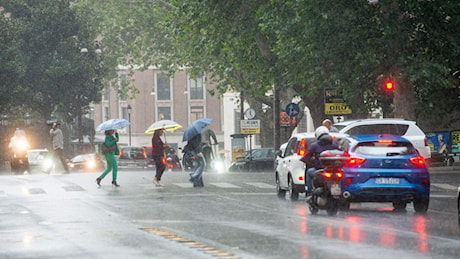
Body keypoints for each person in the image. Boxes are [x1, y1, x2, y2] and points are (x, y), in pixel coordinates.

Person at [300, 126, 339, 194]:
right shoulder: (335, 145)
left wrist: (304, 160)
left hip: (320, 170)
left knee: (309, 172)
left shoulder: (314, 146)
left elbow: (306, 157)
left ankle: (309, 191)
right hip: (334, 171)